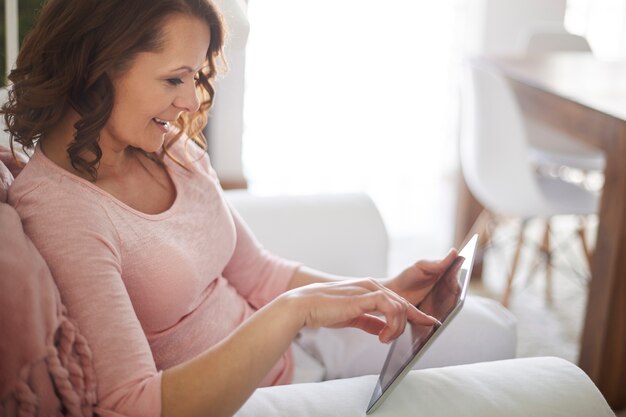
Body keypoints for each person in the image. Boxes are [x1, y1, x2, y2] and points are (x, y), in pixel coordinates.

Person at [2, 1, 515, 416]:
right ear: (97, 66)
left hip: (293, 352)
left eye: (193, 78)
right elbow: (134, 405)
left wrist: (375, 292)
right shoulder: (64, 212)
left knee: (488, 327)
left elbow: (258, 271)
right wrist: (297, 312)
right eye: (173, 78)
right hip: (247, 398)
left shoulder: (167, 148)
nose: (188, 103)